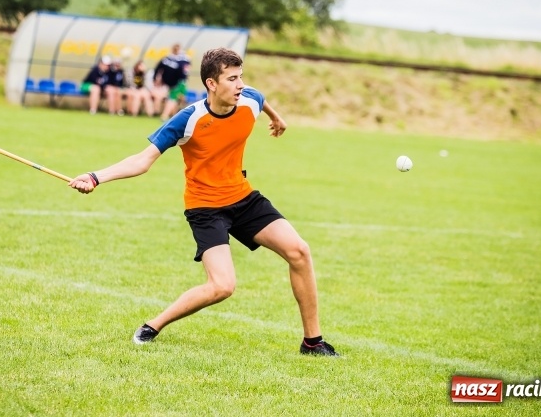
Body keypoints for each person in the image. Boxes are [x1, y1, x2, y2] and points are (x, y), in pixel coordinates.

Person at [68, 47, 339, 356]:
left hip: (243, 197)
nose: (240, 85)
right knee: (222, 286)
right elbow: (142, 161)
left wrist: (278, 119)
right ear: (212, 83)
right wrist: (95, 176)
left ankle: (312, 342)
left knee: (300, 252)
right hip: (206, 208)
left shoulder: (249, 99)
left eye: (241, 77)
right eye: (232, 79)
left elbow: (261, 99)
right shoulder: (188, 119)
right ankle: (154, 324)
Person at [151, 43, 191, 121]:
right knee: (175, 99)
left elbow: (185, 71)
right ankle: (170, 116)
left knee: (175, 98)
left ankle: (167, 116)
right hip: (172, 84)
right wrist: (155, 79)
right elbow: (158, 69)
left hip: (180, 83)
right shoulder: (167, 59)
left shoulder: (184, 59)